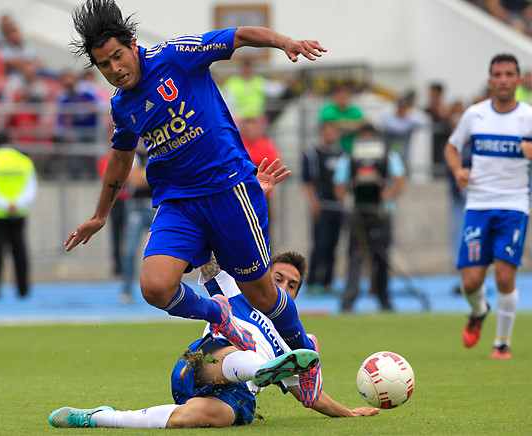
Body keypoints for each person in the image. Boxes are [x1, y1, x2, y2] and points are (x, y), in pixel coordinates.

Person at [64, 0, 327, 407]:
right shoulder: (122, 106)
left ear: (133, 45)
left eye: (117, 56)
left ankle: (303, 358)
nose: (114, 69)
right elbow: (121, 158)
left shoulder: (177, 56)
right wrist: (100, 215)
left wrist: (284, 42)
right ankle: (219, 317)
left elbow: (239, 36)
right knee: (154, 287)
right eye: (104, 65)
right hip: (178, 204)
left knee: (258, 293)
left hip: (229, 191)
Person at [49, 251, 379, 429]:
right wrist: (252, 199)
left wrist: (349, 413)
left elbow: (309, 396)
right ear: (262, 274)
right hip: (204, 363)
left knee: (196, 419)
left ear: (297, 293)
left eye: (291, 284)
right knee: (239, 349)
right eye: (276, 277)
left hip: (237, 396)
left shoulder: (295, 338)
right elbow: (209, 248)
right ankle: (257, 366)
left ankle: (98, 417)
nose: (283, 286)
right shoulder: (236, 287)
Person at [444, 53, 532, 359]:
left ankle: (502, 343)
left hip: (514, 205)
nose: (504, 80)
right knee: (470, 282)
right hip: (478, 205)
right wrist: (458, 171)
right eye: (498, 74)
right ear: (490, 80)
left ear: (519, 80)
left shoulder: (528, 116)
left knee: (505, 277)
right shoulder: (475, 115)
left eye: (510, 74)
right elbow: (452, 147)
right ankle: (479, 310)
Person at [333, 124, 407, 312]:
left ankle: (384, 298)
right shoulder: (349, 158)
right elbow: (339, 185)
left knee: (381, 256)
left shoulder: (388, 156)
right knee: (355, 256)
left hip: (382, 213)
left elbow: (400, 181)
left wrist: (386, 195)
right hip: (358, 214)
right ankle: (349, 299)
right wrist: (348, 201)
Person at [0, 131, 38, 299]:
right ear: (11, 140)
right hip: (18, 212)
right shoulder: (24, 161)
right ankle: (23, 289)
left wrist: (4, 205)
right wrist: (16, 204)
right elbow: (31, 188)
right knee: (20, 252)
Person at [301, 120, 343, 295]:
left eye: (333, 131)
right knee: (320, 245)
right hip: (321, 206)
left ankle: (328, 282)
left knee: (333, 246)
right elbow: (307, 182)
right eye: (327, 131)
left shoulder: (342, 155)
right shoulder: (312, 154)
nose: (330, 134)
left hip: (338, 207)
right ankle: (311, 282)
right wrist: (313, 203)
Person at [119, 146, 154, 304]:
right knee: (129, 251)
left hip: (158, 208)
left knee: (165, 250)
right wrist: (159, 174)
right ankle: (127, 289)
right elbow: (136, 181)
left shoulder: (161, 149)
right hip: (137, 207)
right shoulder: (135, 154)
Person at [318, 84, 365, 153]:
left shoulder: (355, 110)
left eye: (346, 94)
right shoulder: (327, 109)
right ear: (335, 96)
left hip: (352, 149)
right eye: (340, 94)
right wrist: (354, 125)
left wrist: (340, 124)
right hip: (332, 150)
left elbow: (365, 124)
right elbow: (329, 126)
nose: (343, 97)